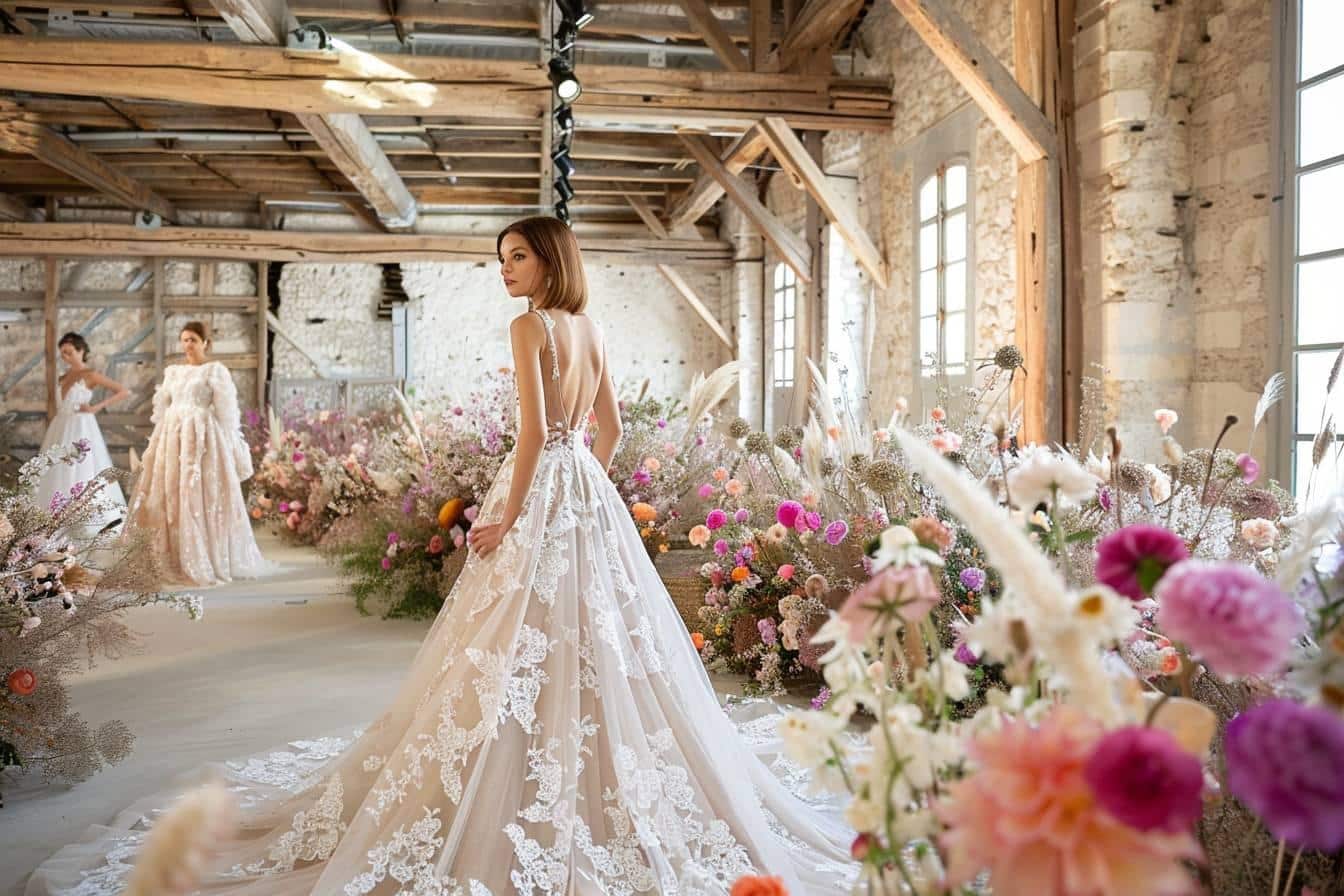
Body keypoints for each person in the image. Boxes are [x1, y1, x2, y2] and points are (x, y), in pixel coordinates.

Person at [25, 220, 853, 895]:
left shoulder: (531, 326)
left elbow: (532, 433)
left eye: (517, 256)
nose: (505, 271)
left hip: (542, 492)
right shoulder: (591, 330)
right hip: (587, 499)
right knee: (594, 644)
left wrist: (515, 513)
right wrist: (585, 485)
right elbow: (610, 429)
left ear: (550, 260)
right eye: (500, 260)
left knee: (517, 639)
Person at [124, 321, 265, 587]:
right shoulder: (174, 372)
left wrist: (231, 445)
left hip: (202, 438)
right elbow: (163, 408)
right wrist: (156, 442)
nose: (187, 345)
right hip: (172, 435)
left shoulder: (215, 371)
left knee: (198, 492)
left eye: (193, 340)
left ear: (205, 343)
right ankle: (172, 554)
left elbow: (227, 413)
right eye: (184, 340)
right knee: (168, 491)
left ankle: (204, 555)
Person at [34, 332, 130, 533]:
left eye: (69, 352)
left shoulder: (90, 375)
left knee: (83, 471)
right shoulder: (63, 377)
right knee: (57, 470)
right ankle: (54, 520)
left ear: (81, 350)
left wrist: (96, 407)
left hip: (82, 427)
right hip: (60, 427)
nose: (66, 358)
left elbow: (123, 391)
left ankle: (84, 522)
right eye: (63, 354)